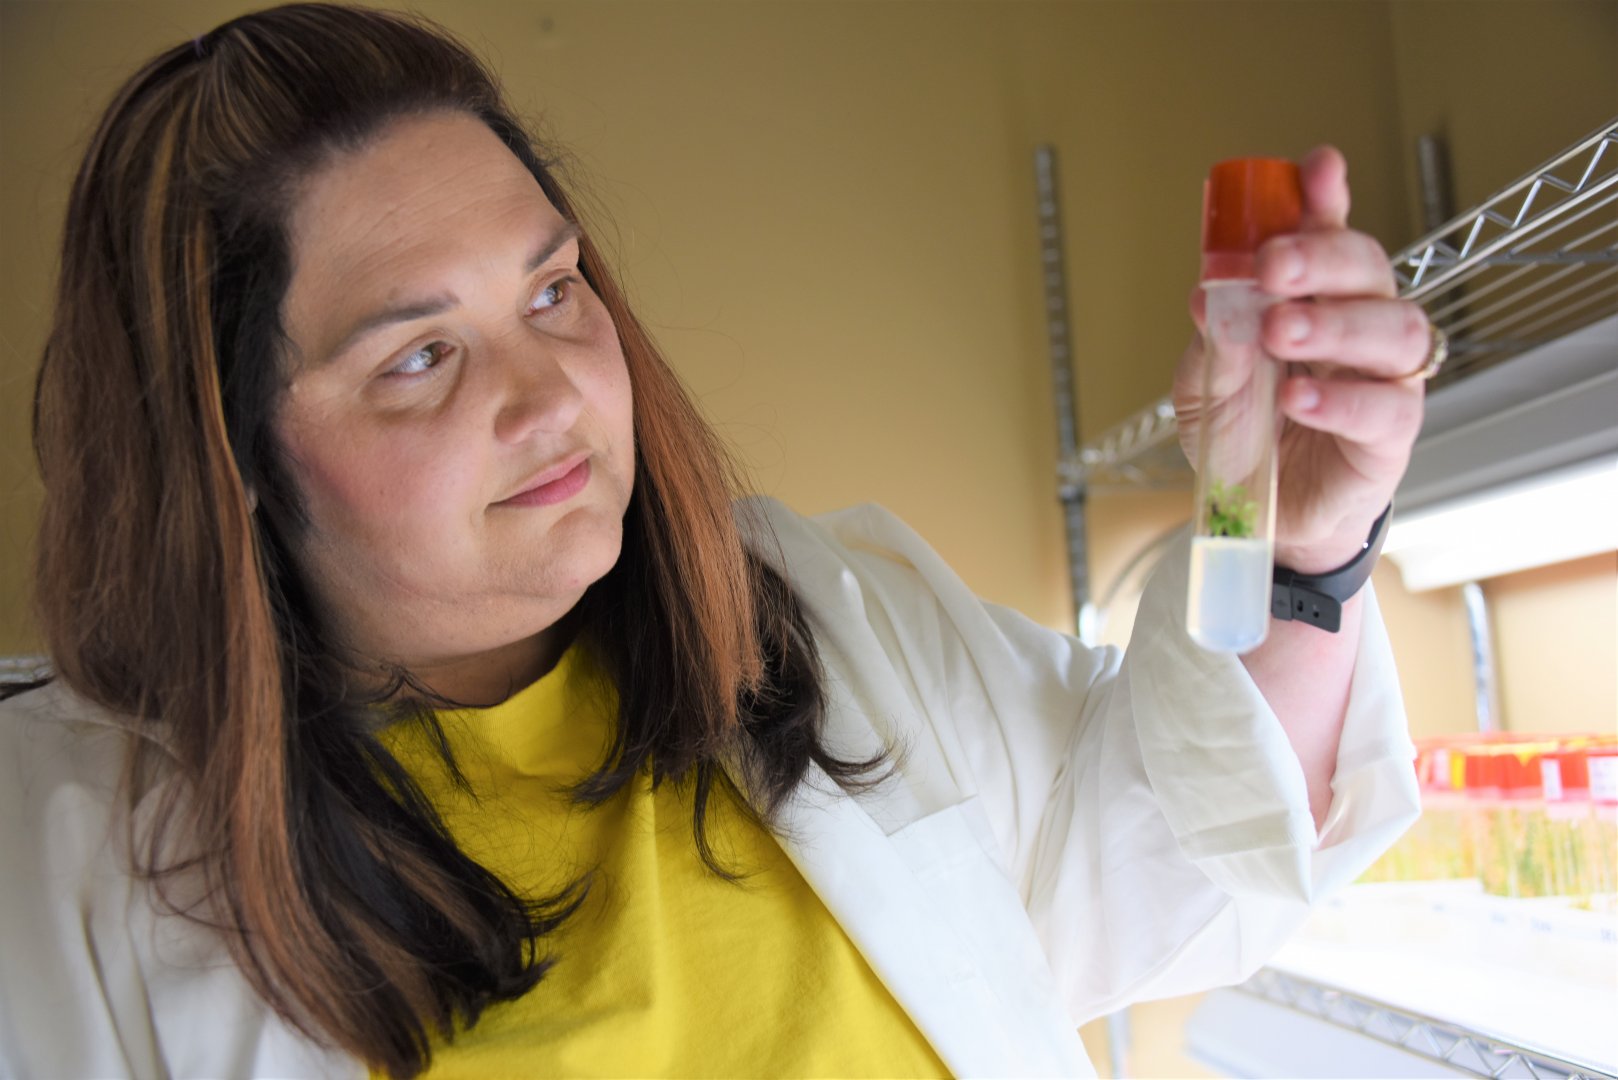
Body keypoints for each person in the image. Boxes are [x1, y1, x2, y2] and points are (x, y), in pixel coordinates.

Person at [0, 4, 1431, 1077]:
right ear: (227, 456)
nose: (553, 393)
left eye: (552, 290)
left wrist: (1299, 543)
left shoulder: (820, 609)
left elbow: (1188, 843)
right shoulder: (61, 859)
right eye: (420, 357)